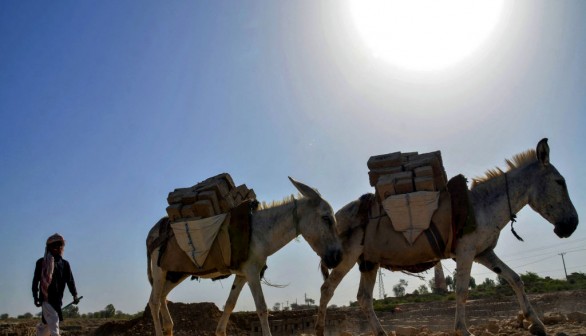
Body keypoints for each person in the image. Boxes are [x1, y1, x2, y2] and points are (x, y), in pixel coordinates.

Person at [32, 233, 79, 336]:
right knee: (54, 323)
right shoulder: (41, 263)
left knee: (46, 325)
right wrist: (35, 296)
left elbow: (70, 280)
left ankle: (40, 333)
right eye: (55, 246)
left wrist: (74, 295)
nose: (57, 248)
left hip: (58, 299)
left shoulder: (65, 264)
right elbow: (36, 281)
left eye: (60, 246)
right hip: (46, 299)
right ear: (49, 248)